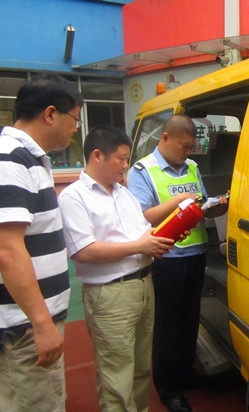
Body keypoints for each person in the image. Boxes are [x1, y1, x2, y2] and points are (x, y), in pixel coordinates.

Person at [58, 125, 177, 412]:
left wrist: (157, 240)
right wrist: (140, 247)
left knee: (139, 369)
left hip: (143, 285)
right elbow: (84, 251)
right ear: (97, 156)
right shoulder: (74, 197)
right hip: (110, 295)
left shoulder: (123, 194)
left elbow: (140, 232)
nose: (126, 166)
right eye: (121, 159)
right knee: (116, 377)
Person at [0, 73, 83, 412]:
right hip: (22, 329)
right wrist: (41, 324)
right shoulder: (9, 159)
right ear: (50, 114)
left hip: (28, 322)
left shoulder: (30, 159)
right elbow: (6, 249)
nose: (75, 128)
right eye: (74, 119)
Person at [127, 114, 228, 412]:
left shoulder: (192, 167)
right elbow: (142, 217)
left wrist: (214, 206)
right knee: (167, 327)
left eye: (191, 147)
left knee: (189, 321)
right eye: (184, 146)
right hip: (165, 259)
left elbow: (199, 206)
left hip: (195, 254)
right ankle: (169, 389)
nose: (187, 152)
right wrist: (178, 201)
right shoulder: (143, 171)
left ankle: (185, 373)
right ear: (166, 138)